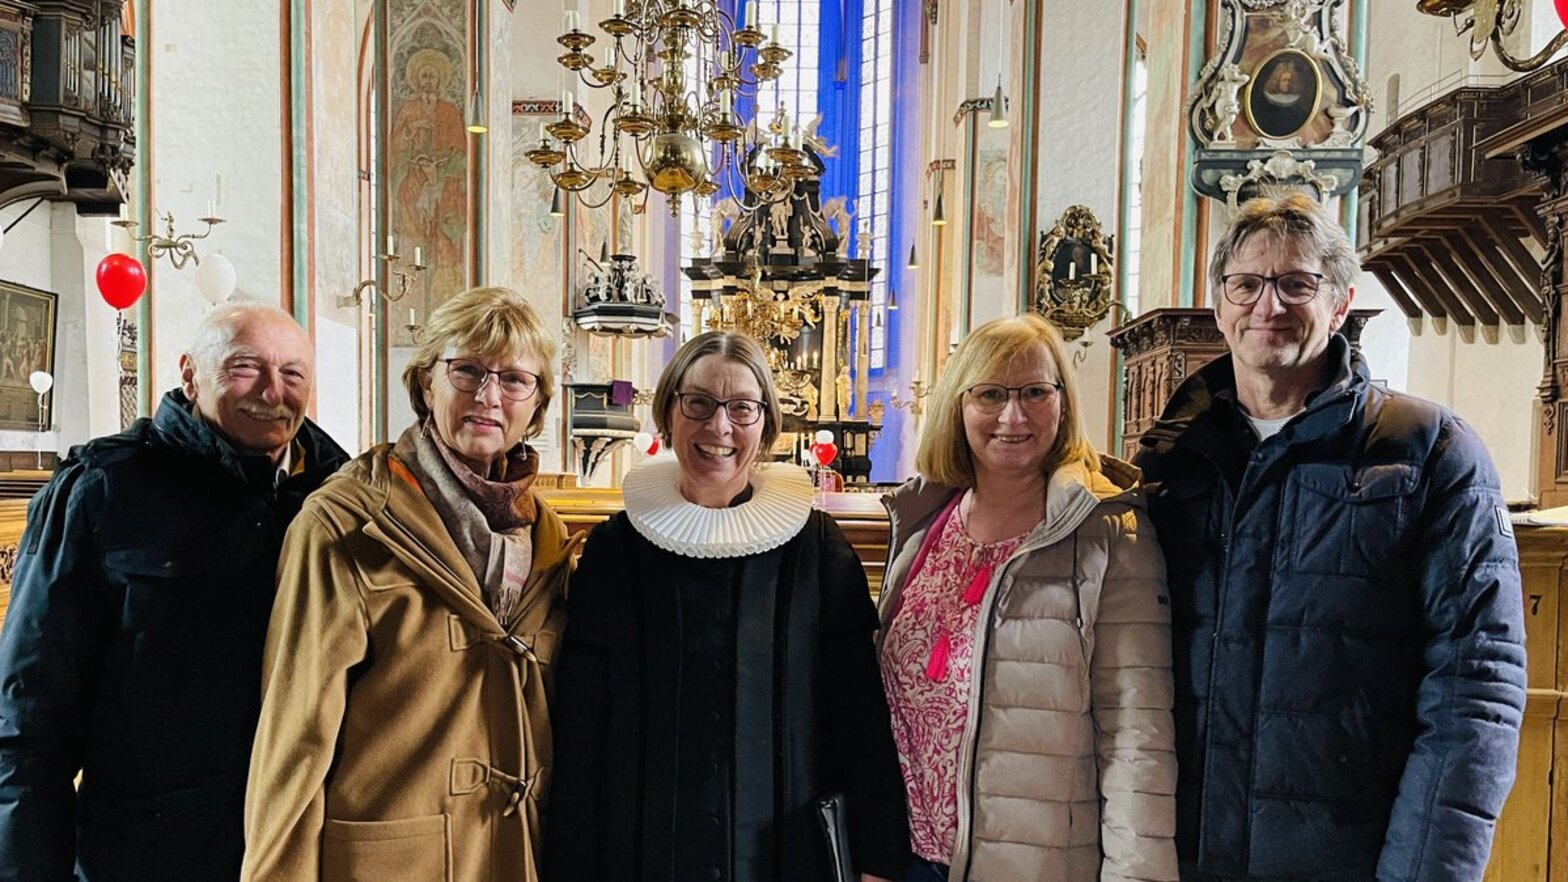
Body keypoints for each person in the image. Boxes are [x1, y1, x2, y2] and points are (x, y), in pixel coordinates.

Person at [1135, 192, 1527, 881]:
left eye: (1297, 283)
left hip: (1348, 855)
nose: (1269, 305)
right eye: (1247, 284)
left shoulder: (1429, 451)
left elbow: (1475, 688)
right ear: (1221, 304)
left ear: (1341, 303)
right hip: (1181, 854)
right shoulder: (1173, 459)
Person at [0, 301, 349, 881]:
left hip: (302, 839)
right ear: (190, 373)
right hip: (149, 847)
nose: (272, 390)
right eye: (245, 366)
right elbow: (29, 717)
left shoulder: (338, 495)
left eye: (293, 373)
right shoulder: (102, 491)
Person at [544, 331, 910, 882]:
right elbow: (581, 727)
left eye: (743, 407)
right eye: (698, 403)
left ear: (765, 424)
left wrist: (880, 858)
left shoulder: (817, 550)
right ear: (669, 413)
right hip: (640, 850)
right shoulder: (615, 550)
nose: (719, 427)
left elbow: (858, 716)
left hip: (787, 855)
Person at [242, 287, 577, 882]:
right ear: (426, 384)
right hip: (395, 860)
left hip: (517, 854)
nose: (489, 396)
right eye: (466, 370)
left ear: (538, 406)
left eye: (515, 380)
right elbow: (293, 742)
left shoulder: (545, 536)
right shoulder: (346, 522)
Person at [877, 314, 1177, 882]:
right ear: (958, 404)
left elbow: (1138, 739)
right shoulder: (924, 519)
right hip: (908, 859)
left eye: (1035, 392)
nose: (1012, 416)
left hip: (1029, 864)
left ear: (1063, 402)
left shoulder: (1110, 532)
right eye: (990, 394)